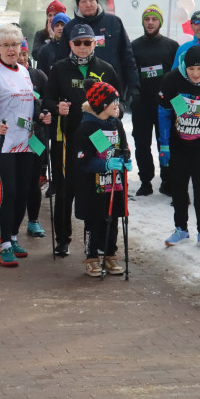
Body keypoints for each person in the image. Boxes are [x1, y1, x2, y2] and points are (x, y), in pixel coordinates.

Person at [43, 24, 122, 257]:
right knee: (66, 190)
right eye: (77, 43)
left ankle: (97, 244)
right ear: (70, 44)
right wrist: (57, 107)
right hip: (67, 137)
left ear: (94, 43)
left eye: (87, 42)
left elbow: (120, 104)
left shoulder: (106, 69)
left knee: (97, 191)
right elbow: (46, 100)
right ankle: (63, 239)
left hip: (98, 140)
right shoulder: (59, 69)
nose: (82, 47)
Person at [0, 25, 49, 267]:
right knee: (8, 192)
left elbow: (32, 104)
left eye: (15, 45)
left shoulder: (24, 72)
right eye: (5, 45)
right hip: (4, 142)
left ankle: (14, 237)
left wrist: (42, 116)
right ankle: (4, 243)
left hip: (27, 141)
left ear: (21, 48)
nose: (11, 50)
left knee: (23, 192)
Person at [158, 45, 200, 248]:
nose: (196, 74)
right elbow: (164, 115)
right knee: (178, 187)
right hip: (177, 142)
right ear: (184, 67)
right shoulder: (172, 79)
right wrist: (164, 145)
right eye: (191, 69)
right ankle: (181, 228)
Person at [73, 82, 131, 277]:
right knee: (94, 219)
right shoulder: (87, 127)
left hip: (113, 183)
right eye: (113, 102)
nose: (117, 105)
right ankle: (91, 256)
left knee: (112, 217)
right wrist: (105, 165)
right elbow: (83, 159)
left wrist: (125, 161)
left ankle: (109, 253)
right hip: (92, 185)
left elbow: (123, 147)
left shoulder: (115, 122)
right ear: (101, 105)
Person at [56, 0, 140, 101]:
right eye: (83, 1)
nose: (88, 5)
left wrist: (133, 85)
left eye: (91, 0)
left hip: (110, 86)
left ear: (97, 1)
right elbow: (61, 60)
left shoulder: (114, 22)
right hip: (79, 91)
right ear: (78, 5)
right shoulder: (70, 28)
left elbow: (127, 56)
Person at [130, 4, 179, 196]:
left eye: (154, 19)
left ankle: (167, 180)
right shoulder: (133, 46)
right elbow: (129, 72)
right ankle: (145, 181)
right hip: (142, 103)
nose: (150, 23)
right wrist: (131, 94)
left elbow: (178, 75)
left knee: (165, 143)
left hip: (165, 105)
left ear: (160, 22)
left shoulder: (171, 46)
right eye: (147, 19)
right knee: (141, 144)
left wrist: (177, 104)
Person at [18, 40, 50, 238]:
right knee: (14, 183)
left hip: (36, 136)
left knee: (34, 181)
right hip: (13, 137)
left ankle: (33, 221)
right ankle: (11, 226)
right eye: (17, 53)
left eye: (24, 53)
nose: (21, 58)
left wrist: (46, 111)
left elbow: (49, 100)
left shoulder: (38, 75)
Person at [35, 12, 70, 77]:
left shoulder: (76, 46)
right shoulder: (45, 50)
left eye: (63, 25)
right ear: (53, 28)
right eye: (57, 25)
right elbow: (40, 76)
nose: (60, 28)